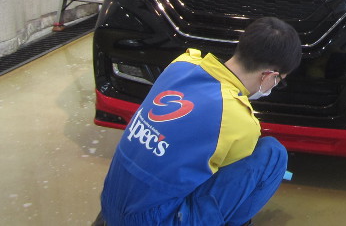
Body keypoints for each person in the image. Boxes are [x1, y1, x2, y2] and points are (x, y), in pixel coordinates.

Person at [94, 17, 302, 226]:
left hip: (110, 202)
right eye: (278, 81)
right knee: (272, 155)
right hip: (155, 219)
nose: (275, 85)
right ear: (268, 76)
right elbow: (232, 177)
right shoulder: (237, 117)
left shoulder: (182, 64)